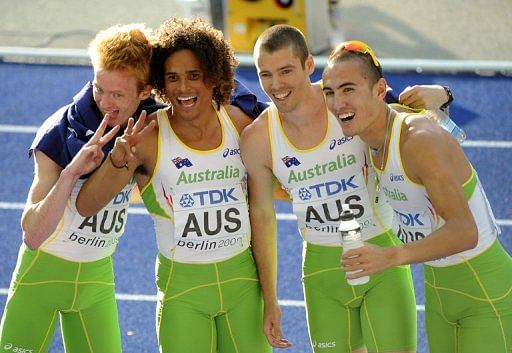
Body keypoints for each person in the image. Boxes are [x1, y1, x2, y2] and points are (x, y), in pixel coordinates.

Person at [240, 24, 455, 353]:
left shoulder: (344, 102)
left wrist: (443, 95)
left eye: (285, 71)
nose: (276, 85)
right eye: (265, 74)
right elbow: (263, 217)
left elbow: (416, 120)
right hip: (323, 273)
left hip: (381, 256)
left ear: (309, 65)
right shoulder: (258, 139)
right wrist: (271, 300)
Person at [76, 17, 272, 353]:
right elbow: (86, 206)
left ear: (214, 77)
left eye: (194, 76)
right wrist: (118, 160)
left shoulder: (239, 123)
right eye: (172, 78)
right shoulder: (146, 135)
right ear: (159, 85)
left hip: (243, 288)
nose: (183, 88)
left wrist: (271, 299)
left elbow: (266, 208)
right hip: (183, 294)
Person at [322, 40, 512, 353]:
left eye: (348, 89)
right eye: (330, 92)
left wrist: (389, 256)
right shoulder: (370, 135)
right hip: (439, 296)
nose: (337, 102)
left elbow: (465, 231)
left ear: (380, 90)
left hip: (487, 294)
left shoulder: (417, 139)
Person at [0, 23, 160, 352]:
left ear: (145, 92)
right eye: (99, 88)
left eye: (118, 94)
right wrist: (72, 174)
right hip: (42, 275)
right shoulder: (58, 132)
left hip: (96, 279)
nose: (105, 103)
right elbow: (32, 234)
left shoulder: (151, 122)